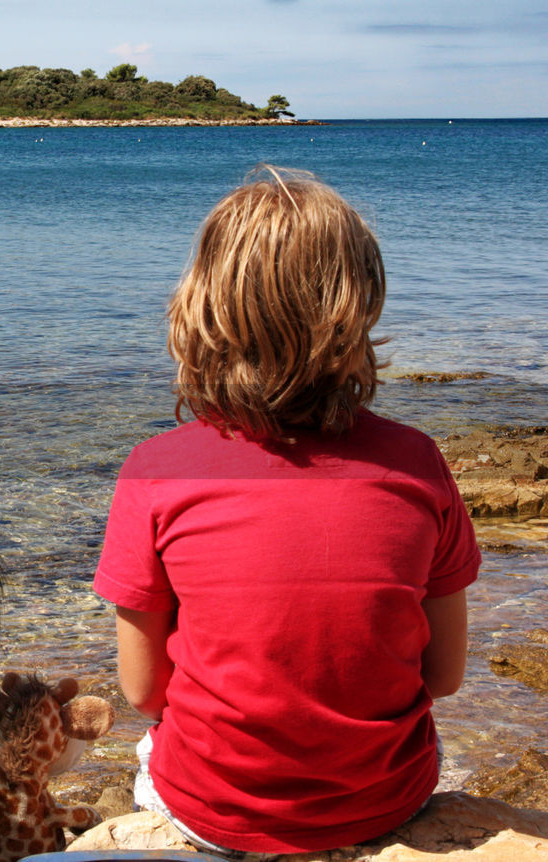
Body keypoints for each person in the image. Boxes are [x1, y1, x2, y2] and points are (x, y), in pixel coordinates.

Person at [93, 166, 480, 856]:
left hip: (211, 810)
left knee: (151, 758)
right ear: (360, 305)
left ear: (201, 307)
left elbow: (145, 691)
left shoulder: (154, 470)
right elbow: (443, 677)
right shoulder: (416, 462)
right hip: (385, 801)